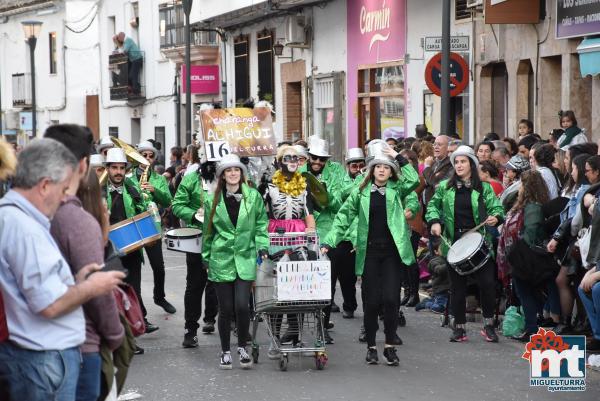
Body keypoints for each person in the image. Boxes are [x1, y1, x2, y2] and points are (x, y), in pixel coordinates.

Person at [0, 139, 125, 401]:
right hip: (43, 358)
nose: (66, 197)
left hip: (40, 358)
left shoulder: (16, 219)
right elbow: (50, 305)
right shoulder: (24, 227)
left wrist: (75, 280)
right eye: (63, 189)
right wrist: (91, 287)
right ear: (45, 185)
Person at [45, 125, 125, 401]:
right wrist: (116, 337)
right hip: (81, 345)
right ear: (82, 164)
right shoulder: (78, 222)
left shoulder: (37, 211)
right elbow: (97, 292)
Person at [321, 142, 419, 366]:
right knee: (372, 301)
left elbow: (414, 179)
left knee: (392, 299)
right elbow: (343, 217)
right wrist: (330, 241)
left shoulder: (397, 190)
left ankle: (390, 346)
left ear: (391, 171)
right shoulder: (361, 192)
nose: (382, 170)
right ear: (372, 170)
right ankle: (372, 346)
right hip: (370, 253)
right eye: (378, 167)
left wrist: (397, 156)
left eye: (386, 167)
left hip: (393, 253)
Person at [425, 145, 504, 343]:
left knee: (487, 284)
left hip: (479, 241)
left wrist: (496, 217)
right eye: (456, 162)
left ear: (472, 164)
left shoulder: (484, 188)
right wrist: (435, 221)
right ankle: (459, 328)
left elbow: (497, 208)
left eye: (463, 161)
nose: (459, 165)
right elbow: (432, 206)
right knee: (457, 287)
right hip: (455, 243)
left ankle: (488, 326)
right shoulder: (445, 187)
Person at [202, 154, 269, 369]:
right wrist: (206, 258)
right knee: (226, 308)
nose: (233, 174)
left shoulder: (254, 196)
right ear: (222, 175)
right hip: (220, 258)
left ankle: (241, 347)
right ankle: (224, 351)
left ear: (242, 173)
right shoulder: (211, 199)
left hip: (246, 257)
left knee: (242, 306)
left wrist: (263, 246)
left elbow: (260, 225)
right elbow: (208, 232)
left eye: (236, 170)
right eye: (228, 171)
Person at [299, 135, 352, 343]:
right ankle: (296, 328)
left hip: (329, 233)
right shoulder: (298, 171)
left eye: (322, 159)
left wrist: (322, 195)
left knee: (326, 283)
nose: (318, 162)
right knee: (300, 283)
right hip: (303, 232)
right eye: (314, 158)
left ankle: (322, 326)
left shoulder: (336, 171)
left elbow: (339, 202)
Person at [103, 148, 159, 338]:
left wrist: (149, 229)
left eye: (121, 168)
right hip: (109, 251)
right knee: (113, 293)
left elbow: (143, 213)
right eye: (114, 168)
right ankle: (119, 334)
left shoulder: (132, 188)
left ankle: (132, 334)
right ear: (107, 168)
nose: (118, 172)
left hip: (133, 249)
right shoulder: (99, 190)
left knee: (132, 290)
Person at [498, 171, 559, 341]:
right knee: (525, 292)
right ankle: (531, 326)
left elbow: (531, 233)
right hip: (524, 256)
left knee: (525, 292)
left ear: (528, 186)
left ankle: (531, 328)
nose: (520, 188)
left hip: (526, 258)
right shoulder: (530, 204)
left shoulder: (532, 206)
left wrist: (519, 249)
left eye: (522, 184)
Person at [172, 155, 219, 348]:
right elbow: (177, 205)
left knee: (224, 282)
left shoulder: (230, 176)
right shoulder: (192, 178)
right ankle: (190, 329)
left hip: (224, 237)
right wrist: (193, 214)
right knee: (195, 284)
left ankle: (226, 322)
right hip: (198, 237)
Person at [547, 153, 591, 334]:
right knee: (574, 281)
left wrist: (559, 237)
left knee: (565, 280)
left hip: (578, 241)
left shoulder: (583, 191)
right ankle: (578, 321)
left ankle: (571, 322)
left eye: (573, 168)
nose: (570, 171)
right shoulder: (580, 188)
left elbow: (574, 221)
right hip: (577, 241)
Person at [132, 141, 176, 314]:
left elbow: (168, 201)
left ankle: (159, 297)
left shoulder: (158, 178)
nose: (148, 159)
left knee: (158, 266)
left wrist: (155, 190)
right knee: (135, 270)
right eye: (144, 155)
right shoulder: (129, 177)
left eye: (151, 156)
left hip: (152, 225)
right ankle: (139, 307)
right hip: (134, 226)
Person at [414, 237, 449, 313]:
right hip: (441, 291)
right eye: (442, 248)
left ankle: (432, 300)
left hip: (450, 290)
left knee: (450, 308)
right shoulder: (434, 261)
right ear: (436, 251)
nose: (445, 249)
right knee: (439, 308)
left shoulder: (449, 258)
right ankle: (427, 303)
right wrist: (448, 264)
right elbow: (438, 270)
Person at [422, 135, 452, 206]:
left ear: (448, 147)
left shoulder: (451, 164)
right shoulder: (433, 161)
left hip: (440, 206)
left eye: (439, 144)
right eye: (434, 144)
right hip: (427, 206)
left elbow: (435, 183)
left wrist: (427, 167)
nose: (436, 147)